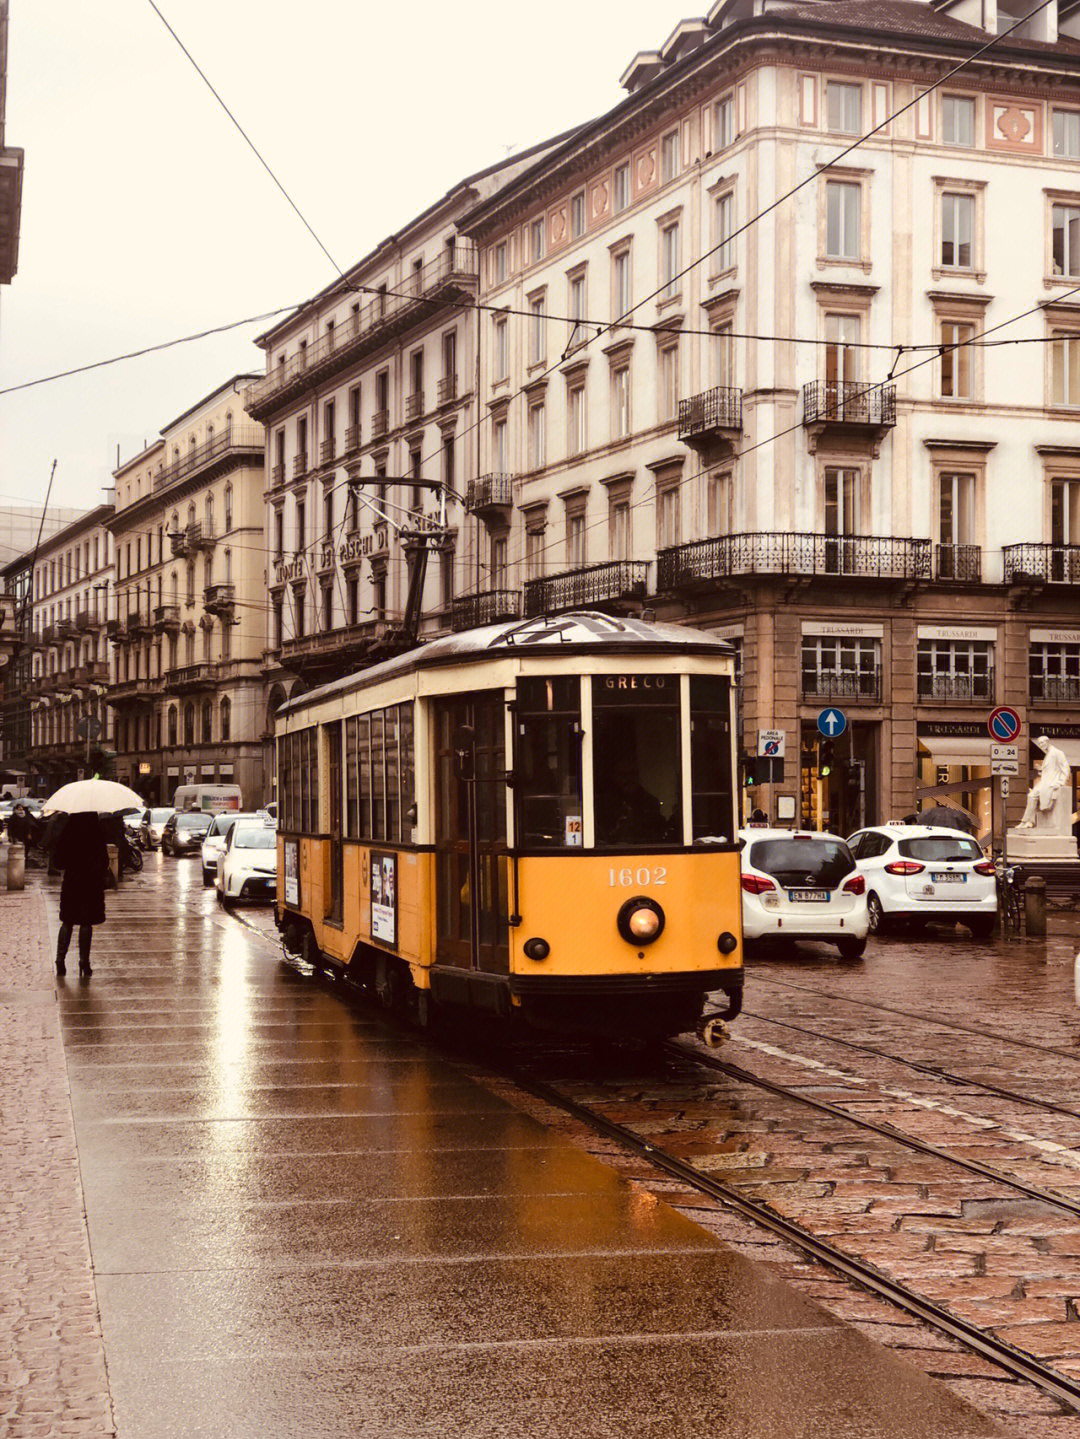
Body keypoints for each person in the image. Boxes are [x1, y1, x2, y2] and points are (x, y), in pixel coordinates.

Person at [51, 812, 110, 976]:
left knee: (67, 921)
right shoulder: (97, 830)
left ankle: (60, 960)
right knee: (86, 922)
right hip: (91, 883)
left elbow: (58, 862)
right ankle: (84, 962)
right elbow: (104, 861)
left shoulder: (68, 830)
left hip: (72, 882)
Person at [1018, 736, 1071, 833]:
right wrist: (1041, 769)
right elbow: (1050, 771)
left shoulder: (1057, 753)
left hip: (1050, 784)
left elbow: (1066, 769)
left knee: (1031, 796)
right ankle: (1028, 821)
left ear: (1047, 742)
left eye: (1042, 743)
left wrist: (1060, 782)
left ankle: (1027, 821)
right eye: (1039, 743)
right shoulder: (1048, 754)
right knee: (1031, 796)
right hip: (1044, 783)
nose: (1041, 745)